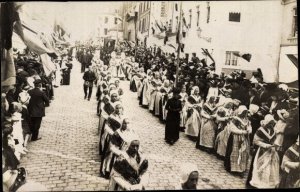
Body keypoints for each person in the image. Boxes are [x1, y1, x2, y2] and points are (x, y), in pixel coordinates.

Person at [248, 114, 280, 188]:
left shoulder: (273, 130)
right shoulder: (260, 130)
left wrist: (276, 144)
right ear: (266, 122)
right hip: (262, 151)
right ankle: (258, 182)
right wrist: (265, 145)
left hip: (271, 151)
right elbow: (256, 141)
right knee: (260, 166)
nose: (271, 124)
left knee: (269, 167)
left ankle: (266, 183)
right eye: (270, 123)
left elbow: (274, 139)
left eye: (272, 123)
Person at [224, 105, 251, 175]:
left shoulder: (247, 120)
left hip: (244, 138)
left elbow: (249, 127)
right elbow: (232, 129)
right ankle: (233, 167)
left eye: (245, 112)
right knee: (234, 152)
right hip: (235, 137)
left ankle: (240, 168)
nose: (244, 114)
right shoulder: (235, 119)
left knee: (243, 152)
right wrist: (242, 132)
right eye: (243, 112)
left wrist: (249, 130)